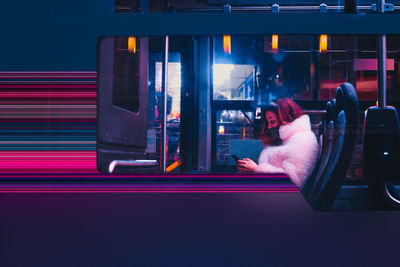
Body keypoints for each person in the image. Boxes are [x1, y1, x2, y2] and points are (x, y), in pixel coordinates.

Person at [237, 98, 319, 190]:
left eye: (272, 121)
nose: (269, 127)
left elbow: (292, 182)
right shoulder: (286, 140)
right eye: (268, 123)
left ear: (286, 118)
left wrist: (257, 169)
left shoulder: (303, 141)